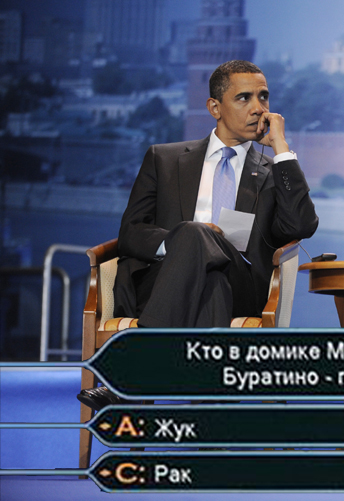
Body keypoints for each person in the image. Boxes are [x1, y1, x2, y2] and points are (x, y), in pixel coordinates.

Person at [78, 60, 318, 409]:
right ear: (214, 108)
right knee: (199, 252)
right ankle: (210, 424)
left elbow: (301, 226)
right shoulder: (164, 159)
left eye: (263, 97)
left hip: (241, 285)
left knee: (203, 248)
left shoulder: (273, 172)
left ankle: (136, 373)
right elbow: (131, 232)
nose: (258, 108)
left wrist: (281, 148)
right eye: (244, 98)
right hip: (163, 282)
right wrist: (179, 242)